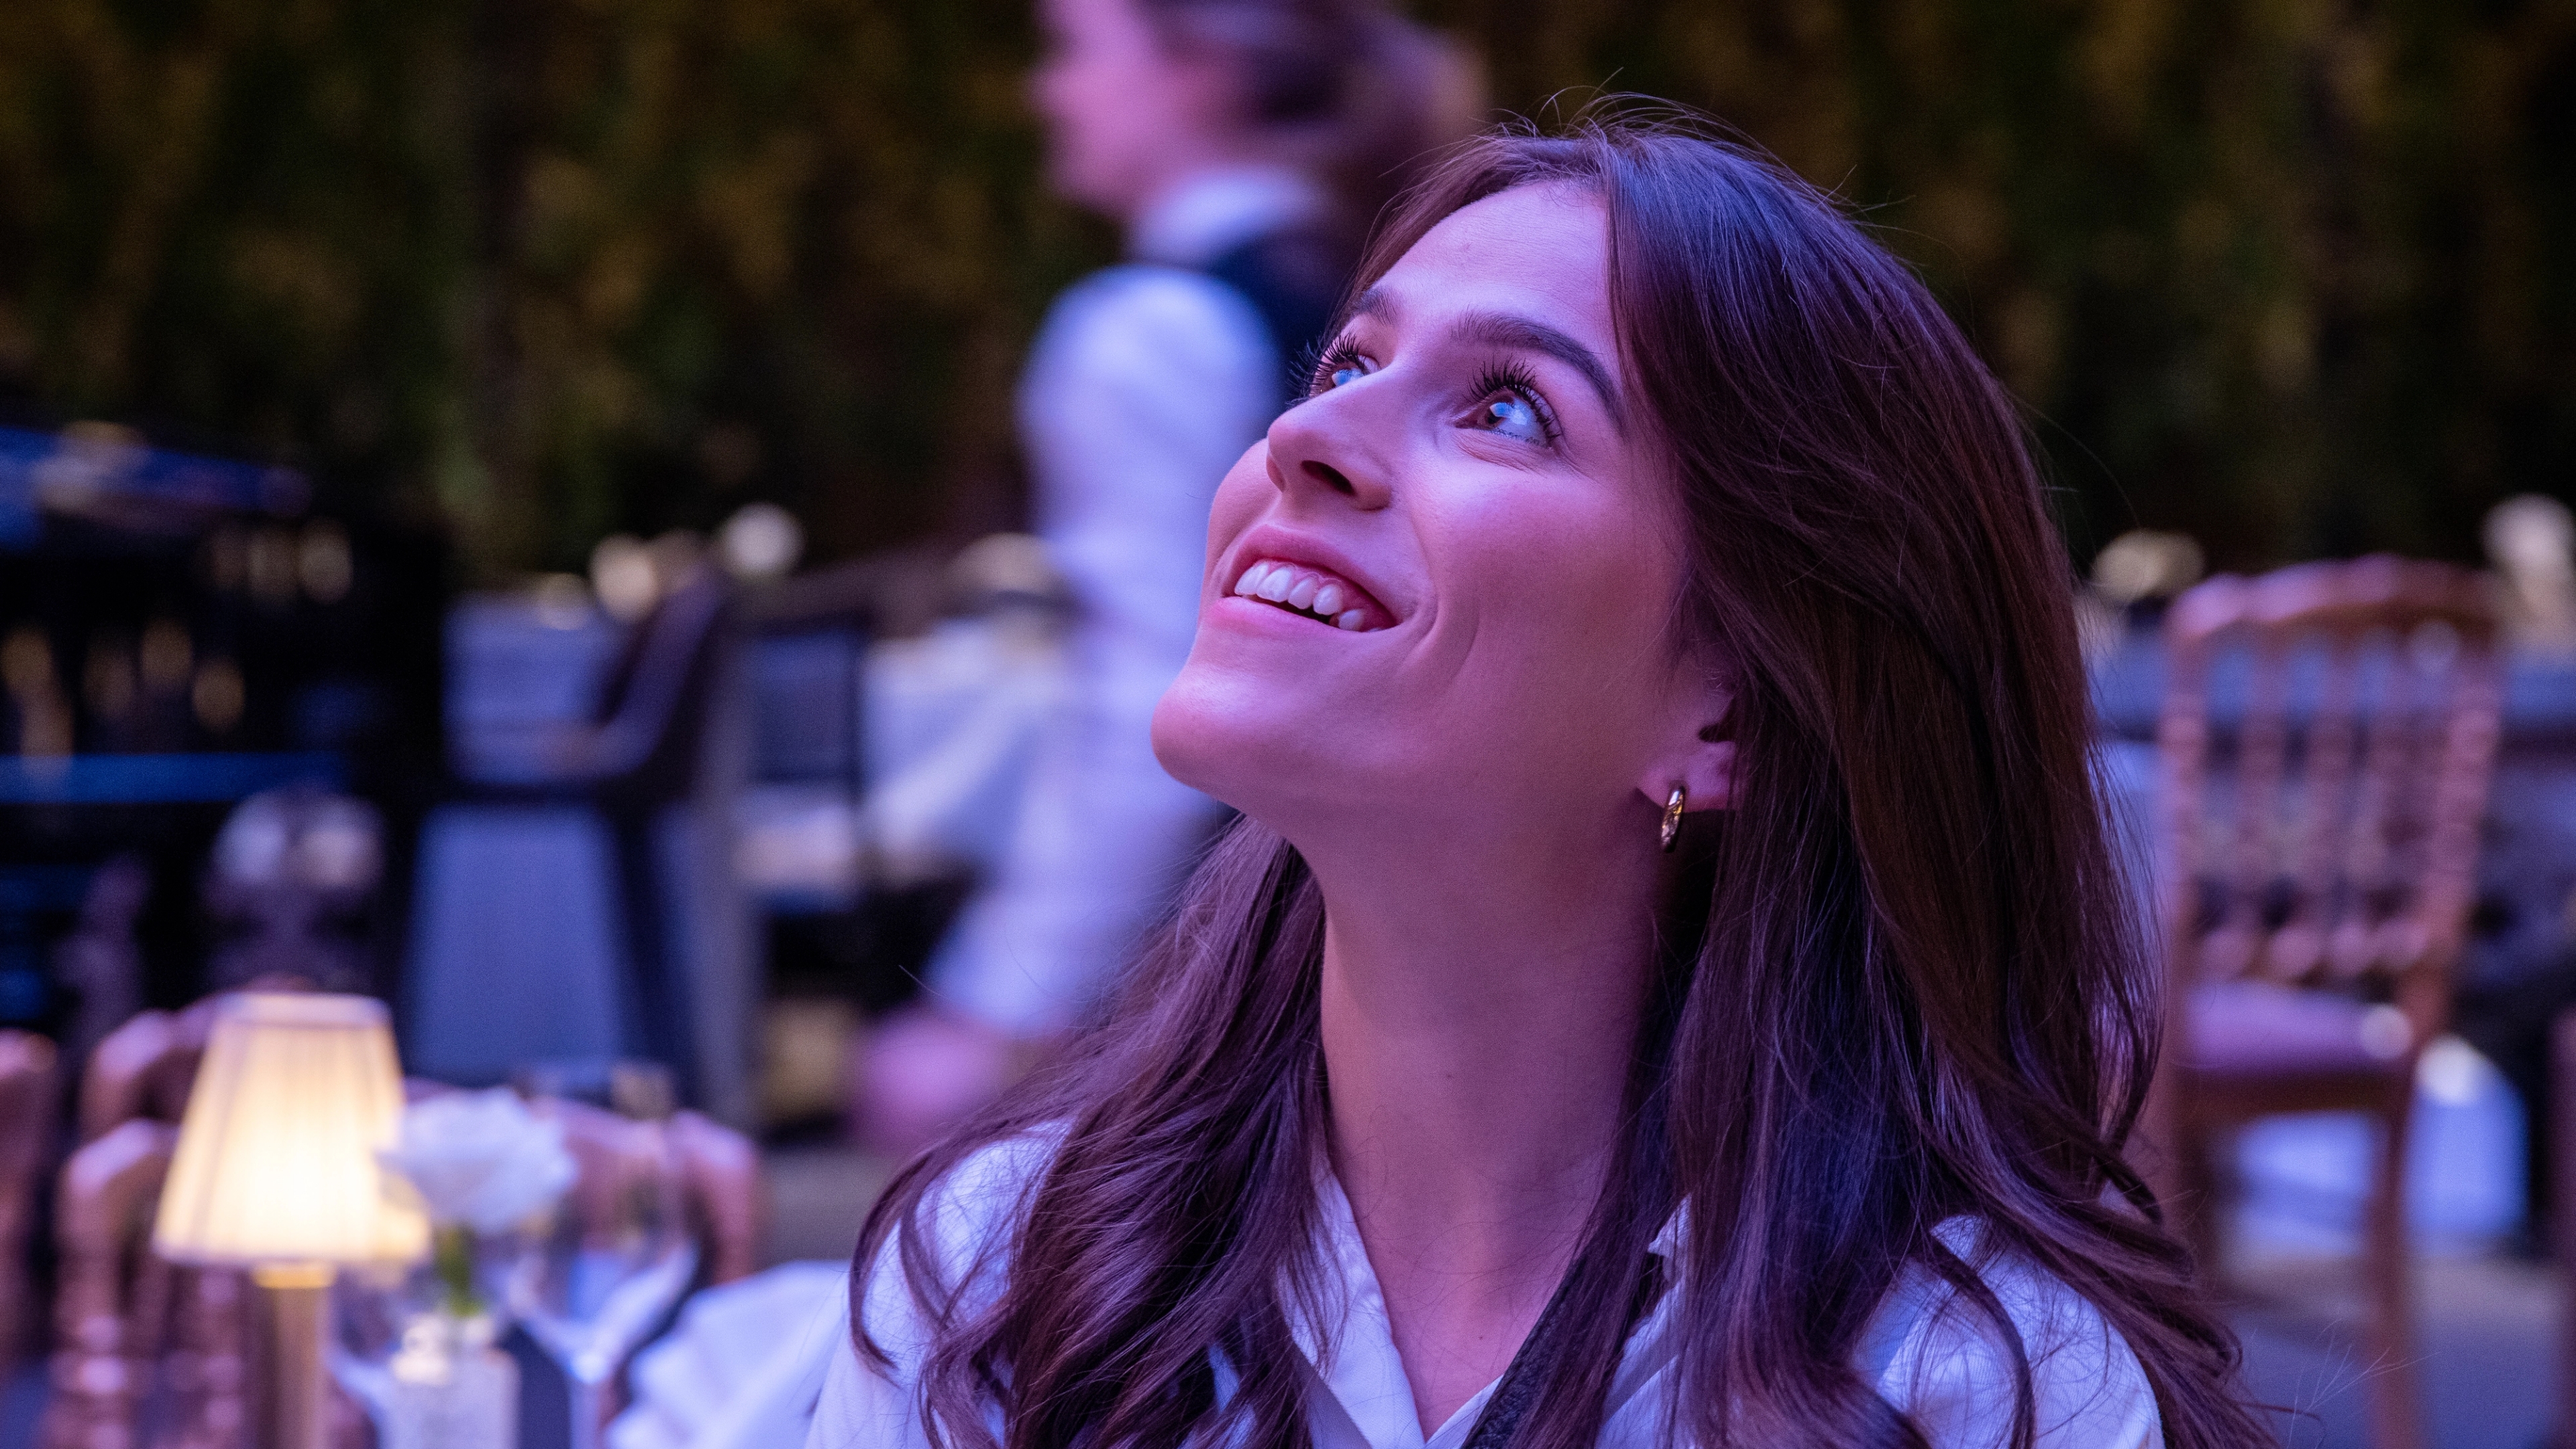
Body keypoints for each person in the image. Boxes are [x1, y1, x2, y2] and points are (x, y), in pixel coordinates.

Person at [815, 114, 2267, 1449]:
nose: (1307, 441)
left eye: (1508, 409)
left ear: (1735, 714)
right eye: (1348, 366)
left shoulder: (1959, 1389)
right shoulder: (998, 1290)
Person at [856, 0, 1477, 1149]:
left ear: (1200, 73)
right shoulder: (1372, 290)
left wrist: (994, 1012)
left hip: (1221, 974)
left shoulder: (1147, 330)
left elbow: (1149, 704)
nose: (1050, 92)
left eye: (1074, 51)